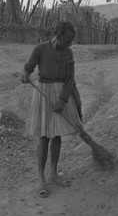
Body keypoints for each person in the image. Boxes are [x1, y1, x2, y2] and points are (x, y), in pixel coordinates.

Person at [21, 21, 82, 198]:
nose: (70, 44)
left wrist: (62, 101)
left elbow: (70, 79)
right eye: (69, 40)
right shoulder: (40, 49)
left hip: (61, 94)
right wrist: (25, 74)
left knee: (56, 135)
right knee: (44, 136)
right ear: (59, 36)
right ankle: (41, 178)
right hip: (43, 93)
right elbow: (29, 67)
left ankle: (53, 173)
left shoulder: (68, 53)